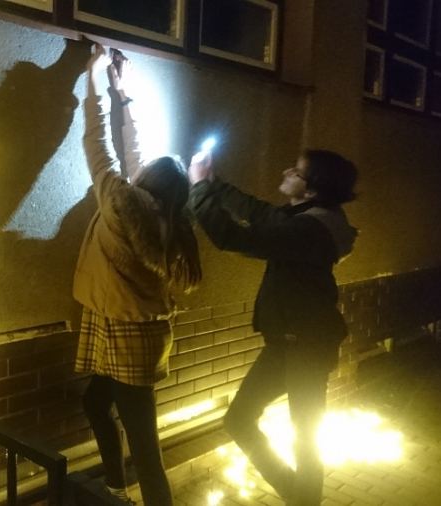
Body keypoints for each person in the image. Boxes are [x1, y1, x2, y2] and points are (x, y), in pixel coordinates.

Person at [187, 149, 358, 505]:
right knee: (240, 420)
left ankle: (301, 499)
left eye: (296, 171)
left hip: (307, 348)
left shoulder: (309, 229)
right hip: (286, 343)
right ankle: (297, 497)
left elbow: (233, 238)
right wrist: (214, 184)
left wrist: (199, 189)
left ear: (310, 190)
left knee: (305, 441)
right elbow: (261, 213)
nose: (286, 171)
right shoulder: (310, 217)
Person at [73, 44, 202, 506]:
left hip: (124, 331)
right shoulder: (170, 220)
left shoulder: (119, 204)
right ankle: (115, 488)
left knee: (146, 447)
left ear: (148, 182)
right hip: (137, 328)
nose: (139, 167)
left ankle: (138, 496)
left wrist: (92, 78)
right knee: (95, 403)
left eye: (145, 170)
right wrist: (122, 91)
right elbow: (134, 151)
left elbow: (98, 143)